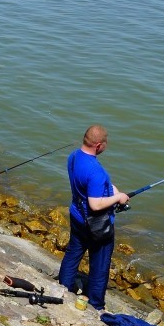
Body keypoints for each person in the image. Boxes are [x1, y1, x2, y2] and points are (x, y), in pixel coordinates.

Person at [57, 125, 131, 312]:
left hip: (77, 215)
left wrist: (112, 189)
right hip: (97, 225)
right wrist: (119, 197)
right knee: (100, 265)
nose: (106, 146)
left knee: (74, 253)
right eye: (105, 143)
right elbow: (95, 204)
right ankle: (96, 305)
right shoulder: (95, 171)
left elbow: (92, 185)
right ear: (98, 145)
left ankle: (63, 287)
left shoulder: (74, 156)